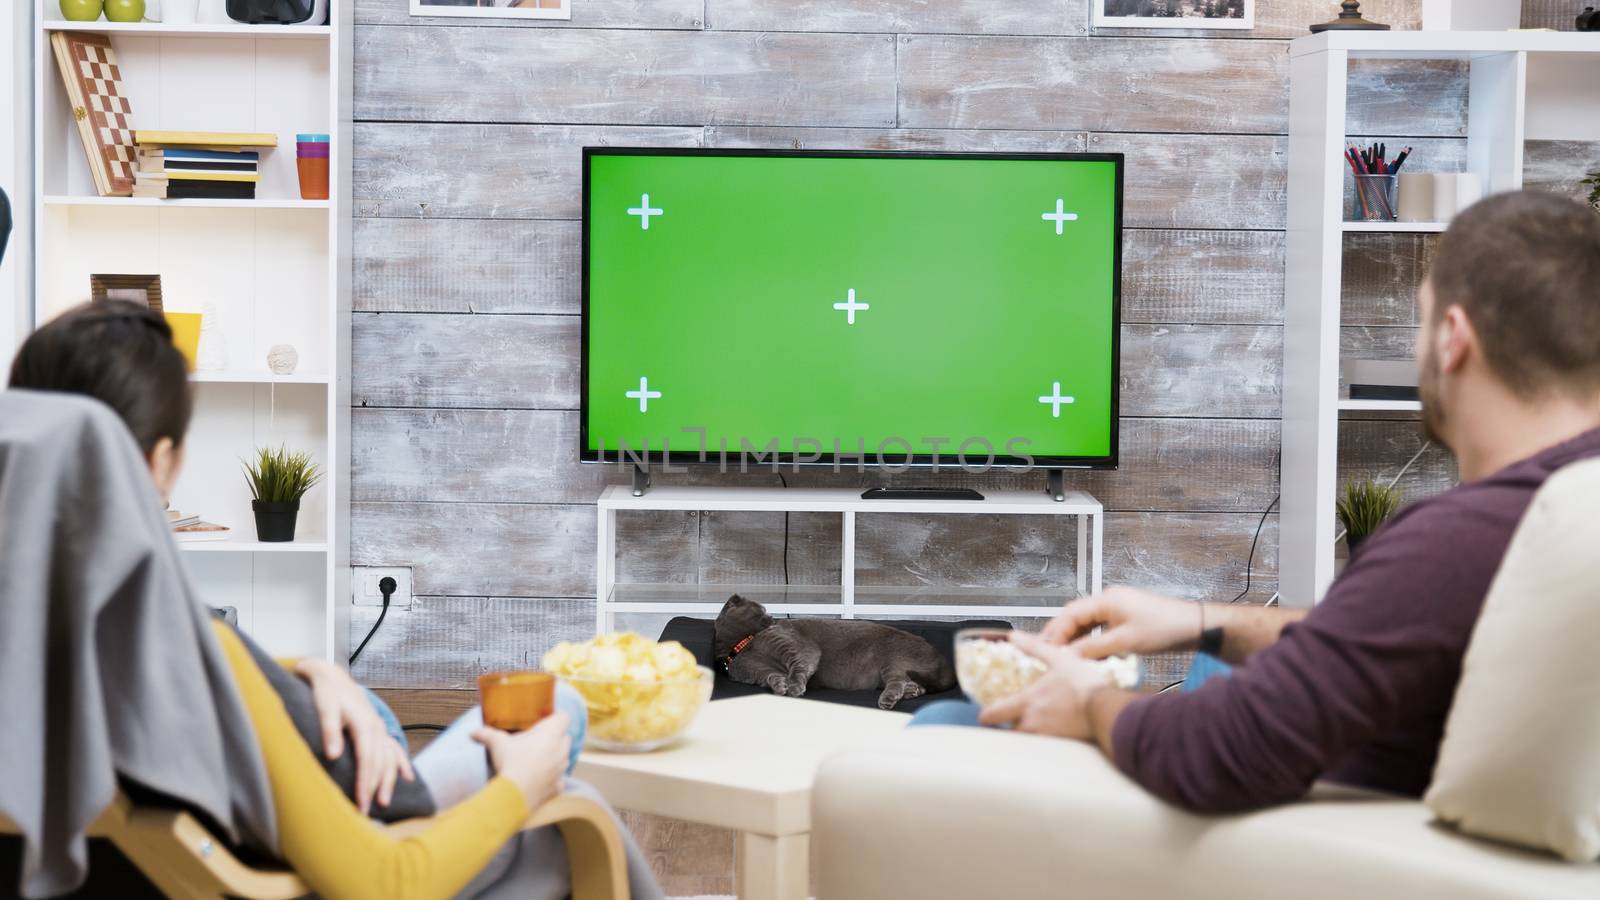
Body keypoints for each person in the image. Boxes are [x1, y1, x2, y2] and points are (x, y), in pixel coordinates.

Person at [915, 190, 1600, 813]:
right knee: (1209, 663)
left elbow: (1215, 755)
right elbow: (1400, 641)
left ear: (1453, 340)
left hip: (1296, 835)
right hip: (1367, 762)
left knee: (943, 728)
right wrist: (1204, 622)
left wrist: (1090, 701)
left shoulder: (1460, 539)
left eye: (1417, 324)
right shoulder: (1559, 503)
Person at [4, 301, 664, 898]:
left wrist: (310, 671)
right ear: (158, 464)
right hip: (361, 859)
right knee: (566, 743)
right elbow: (384, 881)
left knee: (363, 706)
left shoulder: (40, 651)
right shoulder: (197, 658)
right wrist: (521, 786)